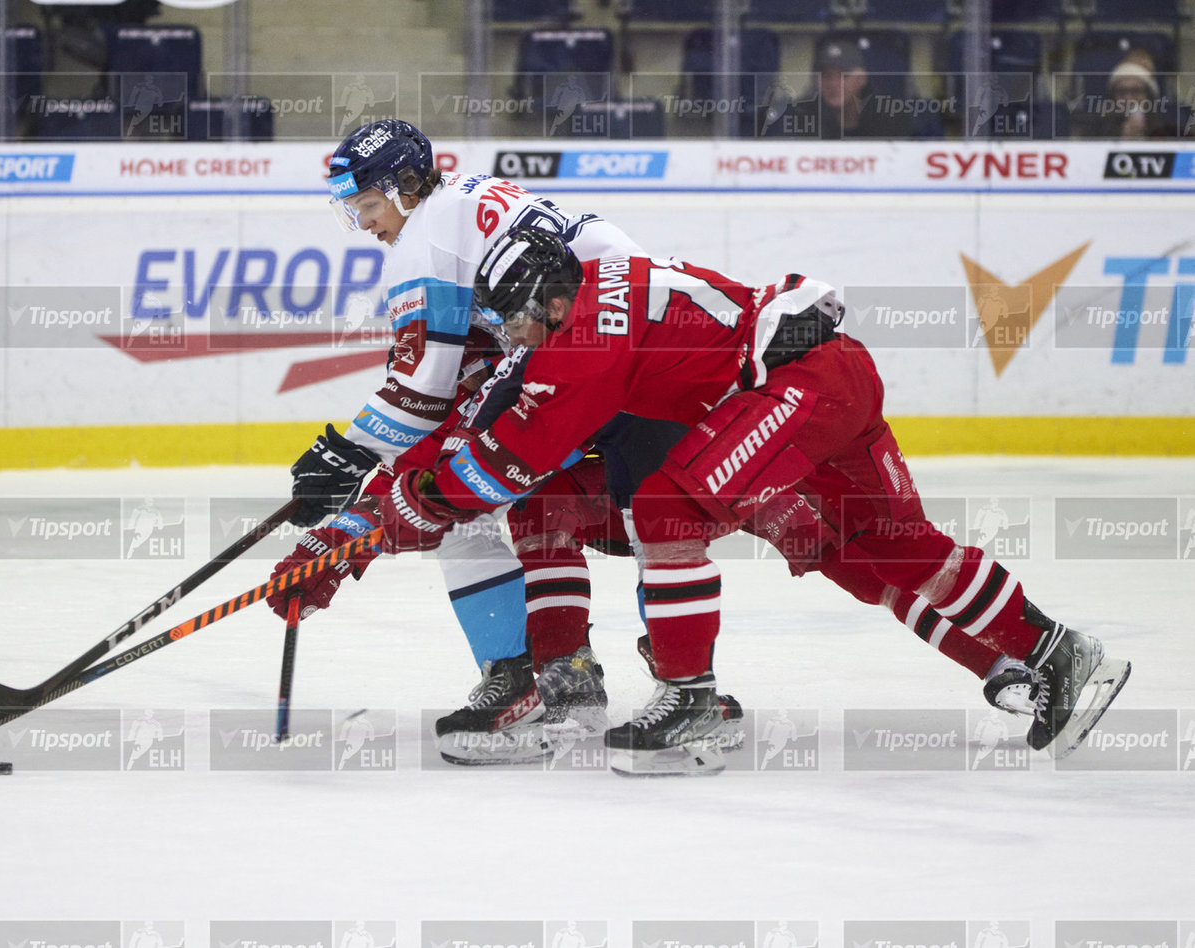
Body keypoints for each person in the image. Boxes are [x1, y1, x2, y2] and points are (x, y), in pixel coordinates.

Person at [375, 227, 1131, 775]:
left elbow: (513, 461)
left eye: (517, 318)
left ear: (547, 295)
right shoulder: (606, 284)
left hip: (793, 391)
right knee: (867, 552)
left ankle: (689, 696)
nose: (516, 336)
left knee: (670, 508)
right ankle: (1055, 650)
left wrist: (419, 501)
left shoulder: (582, 337)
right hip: (823, 386)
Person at [277, 119, 648, 763]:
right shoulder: (472, 204)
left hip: (581, 360)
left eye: (366, 204)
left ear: (406, 187)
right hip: (634, 351)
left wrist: (350, 468)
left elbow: (424, 391)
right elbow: (456, 388)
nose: (363, 223)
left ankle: (526, 677)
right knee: (630, 512)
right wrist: (357, 498)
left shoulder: (425, 238)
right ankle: (618, 679)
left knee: (454, 504)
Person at [766, 38, 911, 140]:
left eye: (844, 75)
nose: (834, 84)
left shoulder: (890, 120)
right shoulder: (798, 118)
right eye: (826, 76)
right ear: (816, 80)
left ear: (862, 79)